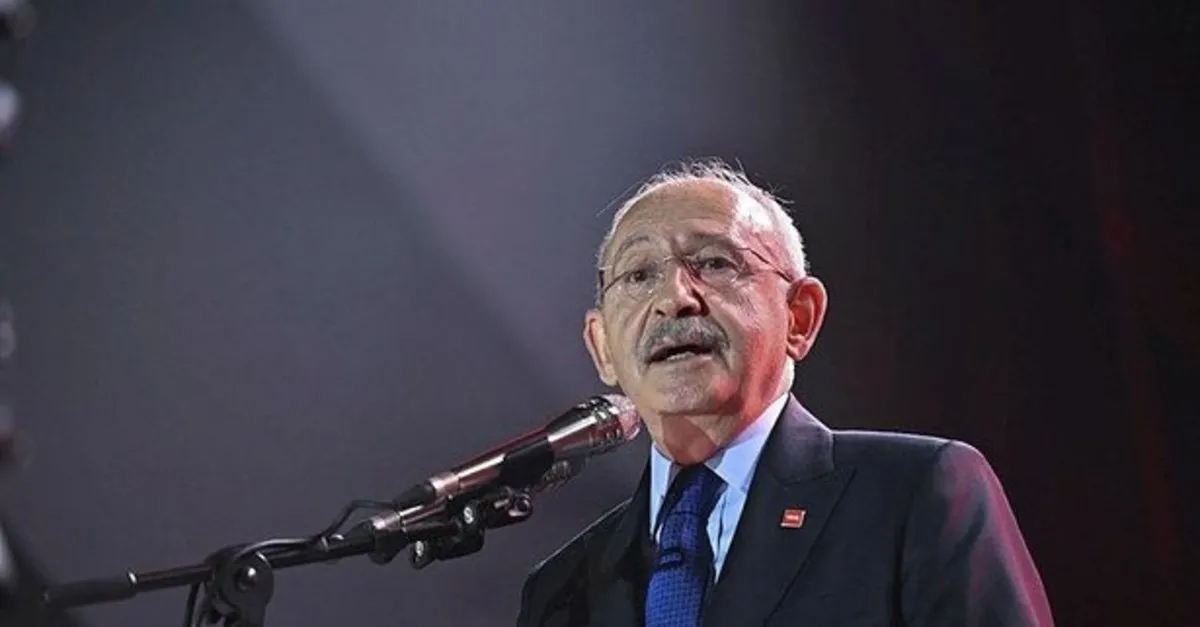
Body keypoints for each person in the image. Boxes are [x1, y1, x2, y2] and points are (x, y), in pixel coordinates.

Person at [515, 160, 1053, 626]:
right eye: (638, 275)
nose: (675, 298)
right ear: (602, 347)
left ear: (800, 317)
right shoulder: (563, 590)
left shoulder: (913, 496)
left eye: (715, 263)